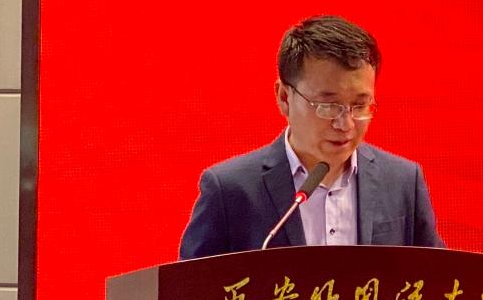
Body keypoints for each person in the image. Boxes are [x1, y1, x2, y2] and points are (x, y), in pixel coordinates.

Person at [179, 15, 444, 259]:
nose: (345, 124)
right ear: (284, 97)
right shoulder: (230, 190)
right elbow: (188, 288)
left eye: (359, 105)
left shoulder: (402, 182)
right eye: (328, 106)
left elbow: (437, 281)